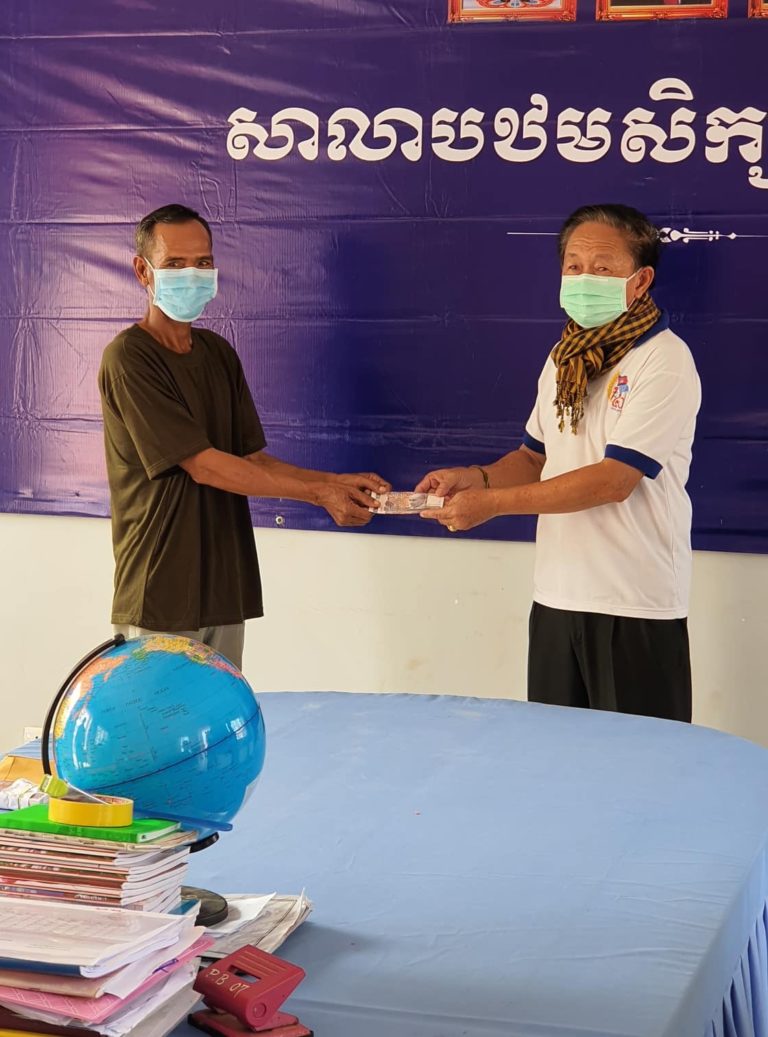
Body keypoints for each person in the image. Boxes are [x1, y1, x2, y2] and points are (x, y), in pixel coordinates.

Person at [417, 203, 700, 723]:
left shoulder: (664, 359)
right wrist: (473, 479)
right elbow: (533, 458)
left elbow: (614, 481)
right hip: (557, 597)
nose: (584, 279)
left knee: (641, 762)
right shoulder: (563, 358)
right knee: (555, 758)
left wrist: (492, 505)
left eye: (603, 267)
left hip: (633, 603)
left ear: (641, 281)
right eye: (574, 266)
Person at [99, 203, 389, 669]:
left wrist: (335, 482)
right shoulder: (130, 359)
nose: (191, 275)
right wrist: (319, 494)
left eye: (203, 262)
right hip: (160, 590)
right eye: (175, 263)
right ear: (142, 271)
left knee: (222, 717)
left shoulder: (218, 353)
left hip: (222, 587)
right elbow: (203, 465)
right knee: (161, 716)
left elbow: (252, 460)